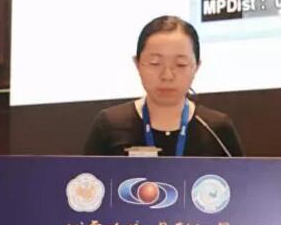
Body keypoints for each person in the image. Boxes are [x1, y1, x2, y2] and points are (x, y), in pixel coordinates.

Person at [84, 16, 243, 156]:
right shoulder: (109, 125)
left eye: (180, 64)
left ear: (196, 67)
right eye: (155, 63)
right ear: (137, 64)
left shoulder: (216, 129)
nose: (167, 75)